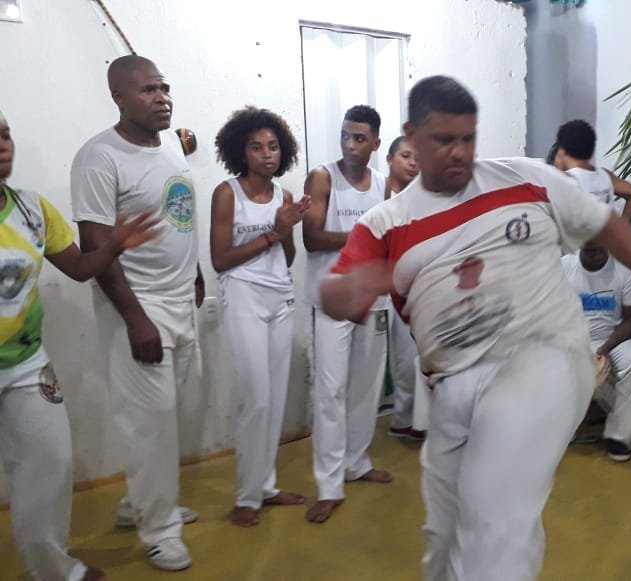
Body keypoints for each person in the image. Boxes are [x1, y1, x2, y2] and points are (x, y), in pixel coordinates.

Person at [320, 75, 631, 581]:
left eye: (468, 138)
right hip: (453, 385)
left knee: (494, 513)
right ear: (412, 136)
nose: (460, 152)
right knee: (446, 533)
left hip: (544, 358)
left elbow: (604, 223)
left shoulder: (526, 179)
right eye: (444, 139)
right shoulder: (384, 223)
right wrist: (354, 287)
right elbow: (335, 295)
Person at [0, 109, 159, 581]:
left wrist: (113, 246)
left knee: (50, 463)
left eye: (5, 134)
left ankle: (55, 571)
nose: (2, 145)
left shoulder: (31, 210)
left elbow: (78, 268)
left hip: (26, 364)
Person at [71, 55, 204, 571]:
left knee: (167, 414)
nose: (162, 97)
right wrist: (134, 318)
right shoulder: (99, 158)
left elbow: (178, 215)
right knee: (150, 423)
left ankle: (141, 502)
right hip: (139, 306)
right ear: (118, 98)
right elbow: (95, 244)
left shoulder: (170, 145)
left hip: (180, 300)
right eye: (148, 90)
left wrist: (196, 272)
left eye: (164, 87)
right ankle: (160, 531)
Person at [210, 106, 311, 527]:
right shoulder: (227, 193)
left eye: (272, 146)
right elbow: (220, 260)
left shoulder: (284, 196)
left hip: (279, 296)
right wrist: (274, 231)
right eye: (256, 147)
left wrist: (286, 230)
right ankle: (246, 497)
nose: (266, 154)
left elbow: (286, 257)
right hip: (243, 296)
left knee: (274, 400)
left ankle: (265, 486)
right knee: (257, 399)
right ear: (242, 151)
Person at [302, 105, 392, 524]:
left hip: (372, 299)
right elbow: (312, 237)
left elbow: (391, 240)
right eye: (345, 136)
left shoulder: (384, 184)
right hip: (333, 300)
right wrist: (364, 237)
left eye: (359, 138)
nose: (350, 145)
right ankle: (329, 484)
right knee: (331, 390)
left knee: (366, 387)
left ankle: (356, 461)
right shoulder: (323, 177)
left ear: (375, 143)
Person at [562, 240, 631, 462]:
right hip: (570, 340)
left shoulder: (627, 271)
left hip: (612, 339)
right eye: (589, 248)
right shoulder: (563, 267)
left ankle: (619, 436)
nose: (593, 252)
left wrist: (605, 349)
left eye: (599, 246)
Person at [383, 136, 424, 441]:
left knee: (412, 355)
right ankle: (401, 417)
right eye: (406, 156)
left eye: (417, 158)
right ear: (389, 159)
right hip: (380, 285)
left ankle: (409, 418)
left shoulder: (423, 199)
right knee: (393, 359)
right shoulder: (379, 195)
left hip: (414, 286)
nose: (413, 163)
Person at [551, 119, 631, 221]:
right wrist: (623, 225)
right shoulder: (605, 175)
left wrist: (557, 171)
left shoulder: (563, 180)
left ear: (563, 151)